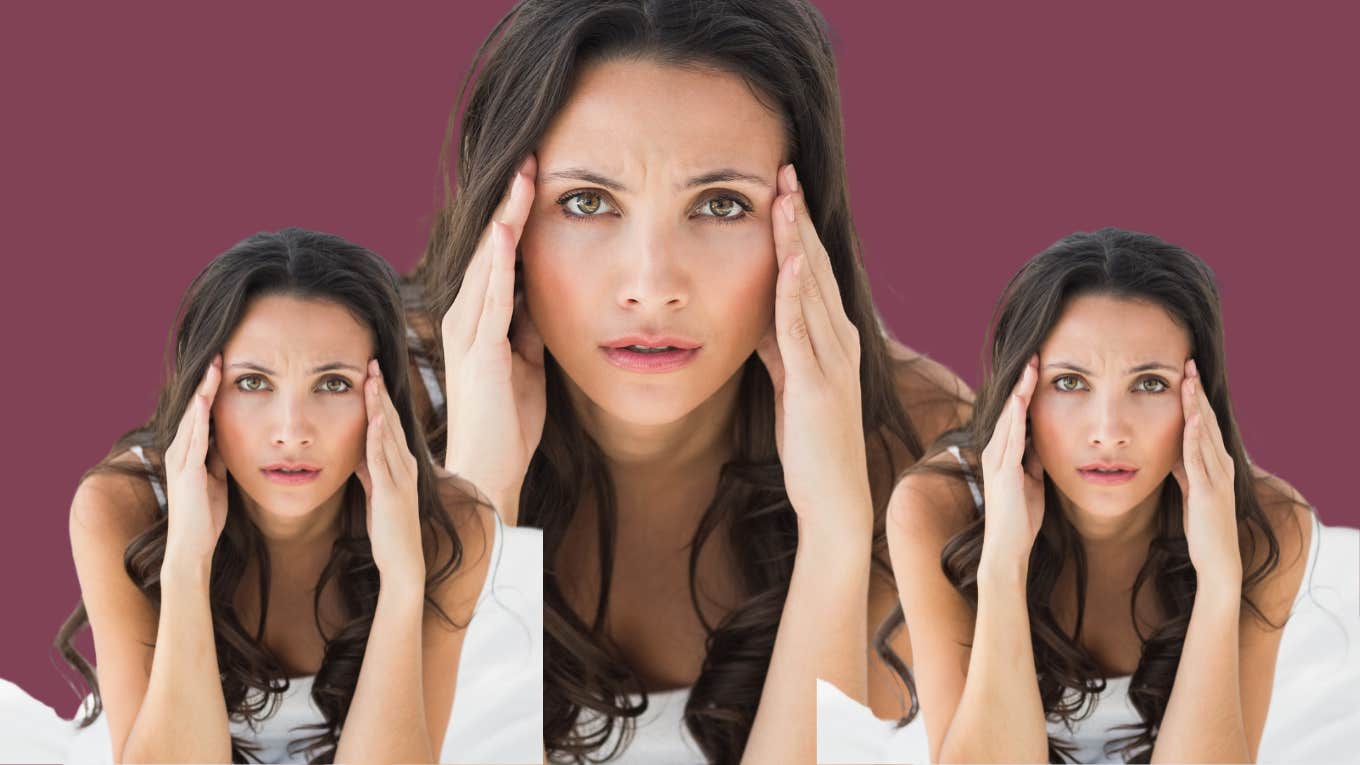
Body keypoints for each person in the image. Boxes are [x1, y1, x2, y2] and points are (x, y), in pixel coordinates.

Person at [407, 0, 971, 761]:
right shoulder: (342, 419)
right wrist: (479, 508)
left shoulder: (923, 451)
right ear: (502, 224)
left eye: (720, 205)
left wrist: (836, 530)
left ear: (800, 230)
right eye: (586, 202)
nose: (651, 284)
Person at [56, 229, 495, 763]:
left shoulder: (454, 524)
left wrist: (403, 578)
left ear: (381, 400)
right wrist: (186, 564)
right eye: (253, 383)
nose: (291, 431)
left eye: (332, 383)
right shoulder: (122, 509)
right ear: (205, 394)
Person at [887, 227, 1313, 762]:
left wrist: (1219, 581)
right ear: (1021, 394)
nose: (1109, 430)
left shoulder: (1268, 525)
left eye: (1151, 384)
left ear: (1199, 399)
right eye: (1069, 382)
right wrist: (1002, 563)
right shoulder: (935, 510)